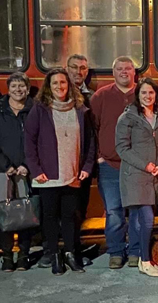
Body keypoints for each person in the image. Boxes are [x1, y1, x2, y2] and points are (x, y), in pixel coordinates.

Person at [24, 68, 96, 276]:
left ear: (69, 85)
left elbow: (90, 141)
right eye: (55, 83)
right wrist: (35, 169)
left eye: (63, 83)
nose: (59, 87)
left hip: (73, 173)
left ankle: (72, 254)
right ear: (49, 86)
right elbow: (29, 141)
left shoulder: (80, 109)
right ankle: (55, 255)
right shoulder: (40, 109)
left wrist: (86, 167)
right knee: (50, 216)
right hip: (47, 175)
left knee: (71, 216)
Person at [115, 78, 158, 277]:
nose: (147, 96)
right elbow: (122, 148)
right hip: (135, 175)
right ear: (137, 96)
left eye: (151, 93)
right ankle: (145, 260)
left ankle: (142, 258)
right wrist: (146, 165)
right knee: (146, 219)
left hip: (155, 177)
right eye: (143, 93)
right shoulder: (127, 118)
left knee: (143, 220)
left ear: (155, 95)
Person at [0, 72, 35, 272]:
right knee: (5, 213)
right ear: (8, 88)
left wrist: (26, 165)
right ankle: (6, 255)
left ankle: (23, 254)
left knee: (25, 213)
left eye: (22, 86)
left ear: (27, 89)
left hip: (25, 170)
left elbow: (39, 139)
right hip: (0, 171)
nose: (18, 90)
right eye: (14, 86)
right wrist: (6, 166)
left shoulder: (34, 110)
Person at [89, 56, 136, 269]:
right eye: (119, 69)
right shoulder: (101, 96)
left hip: (137, 166)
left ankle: (136, 251)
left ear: (134, 72)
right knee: (114, 211)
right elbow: (92, 129)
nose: (124, 72)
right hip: (109, 164)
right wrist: (99, 156)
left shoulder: (143, 93)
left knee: (137, 209)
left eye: (128, 68)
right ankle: (116, 252)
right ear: (113, 72)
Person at [61, 54, 96, 268]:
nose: (78, 72)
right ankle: (56, 250)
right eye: (74, 67)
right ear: (66, 68)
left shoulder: (91, 96)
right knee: (60, 208)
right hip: (61, 161)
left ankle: (74, 247)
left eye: (83, 68)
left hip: (83, 162)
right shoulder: (57, 95)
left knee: (78, 208)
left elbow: (93, 132)